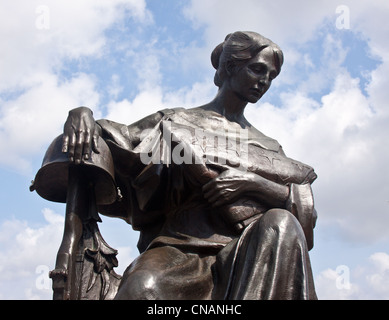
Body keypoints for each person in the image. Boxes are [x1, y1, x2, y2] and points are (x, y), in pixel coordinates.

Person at [61, 31, 318, 299]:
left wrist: (253, 184)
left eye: (271, 76)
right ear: (230, 66)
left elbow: (303, 219)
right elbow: (119, 138)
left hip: (248, 253)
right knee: (141, 289)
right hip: (178, 250)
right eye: (257, 70)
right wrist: (81, 114)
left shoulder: (269, 147)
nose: (264, 81)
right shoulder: (176, 120)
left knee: (282, 222)